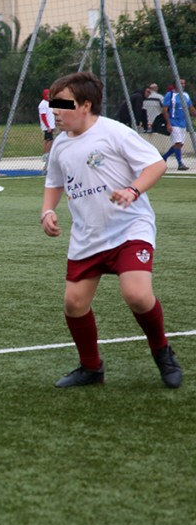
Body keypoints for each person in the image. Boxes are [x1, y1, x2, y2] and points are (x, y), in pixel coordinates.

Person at [40, 71, 182, 389]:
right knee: (74, 304)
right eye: (53, 104)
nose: (56, 111)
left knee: (137, 295)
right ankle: (91, 368)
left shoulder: (113, 132)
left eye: (63, 104)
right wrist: (47, 211)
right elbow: (54, 183)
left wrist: (132, 190)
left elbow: (156, 164)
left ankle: (163, 353)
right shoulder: (60, 145)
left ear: (85, 105)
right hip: (88, 235)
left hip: (130, 228)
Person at [160, 79, 195, 171]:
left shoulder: (185, 95)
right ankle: (180, 164)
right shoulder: (170, 95)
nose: (183, 85)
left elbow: (191, 108)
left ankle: (164, 157)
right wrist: (168, 123)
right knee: (177, 143)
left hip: (183, 122)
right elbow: (165, 110)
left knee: (179, 144)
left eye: (184, 83)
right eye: (181, 83)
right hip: (173, 122)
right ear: (175, 84)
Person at [38, 89, 56, 169]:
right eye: (48, 95)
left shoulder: (50, 103)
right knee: (49, 140)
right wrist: (47, 126)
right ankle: (46, 154)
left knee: (48, 139)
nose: (49, 96)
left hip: (51, 125)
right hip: (47, 126)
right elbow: (43, 116)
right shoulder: (43, 104)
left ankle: (47, 153)